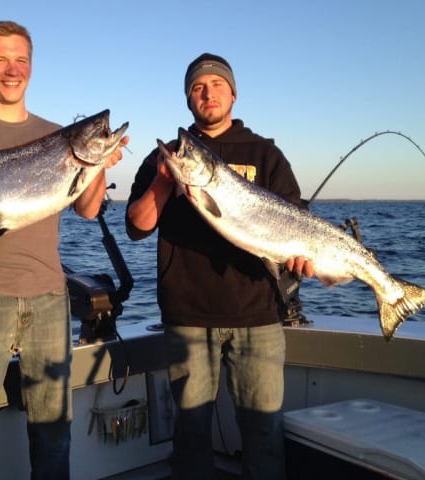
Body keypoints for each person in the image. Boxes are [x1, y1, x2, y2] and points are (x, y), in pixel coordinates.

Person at [0, 21, 128, 480]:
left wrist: (97, 162)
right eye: (0, 59)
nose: (11, 69)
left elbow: (86, 208)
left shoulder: (59, 134)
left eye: (20, 59)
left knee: (55, 435)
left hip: (49, 296)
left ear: (31, 67)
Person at [125, 53, 313, 480]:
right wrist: (164, 179)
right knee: (190, 435)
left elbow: (297, 218)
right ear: (188, 99)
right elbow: (137, 227)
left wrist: (302, 257)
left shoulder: (265, 153)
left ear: (233, 93)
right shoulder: (169, 156)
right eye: (197, 87)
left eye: (216, 84)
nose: (207, 93)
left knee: (264, 433)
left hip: (258, 317)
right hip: (187, 316)